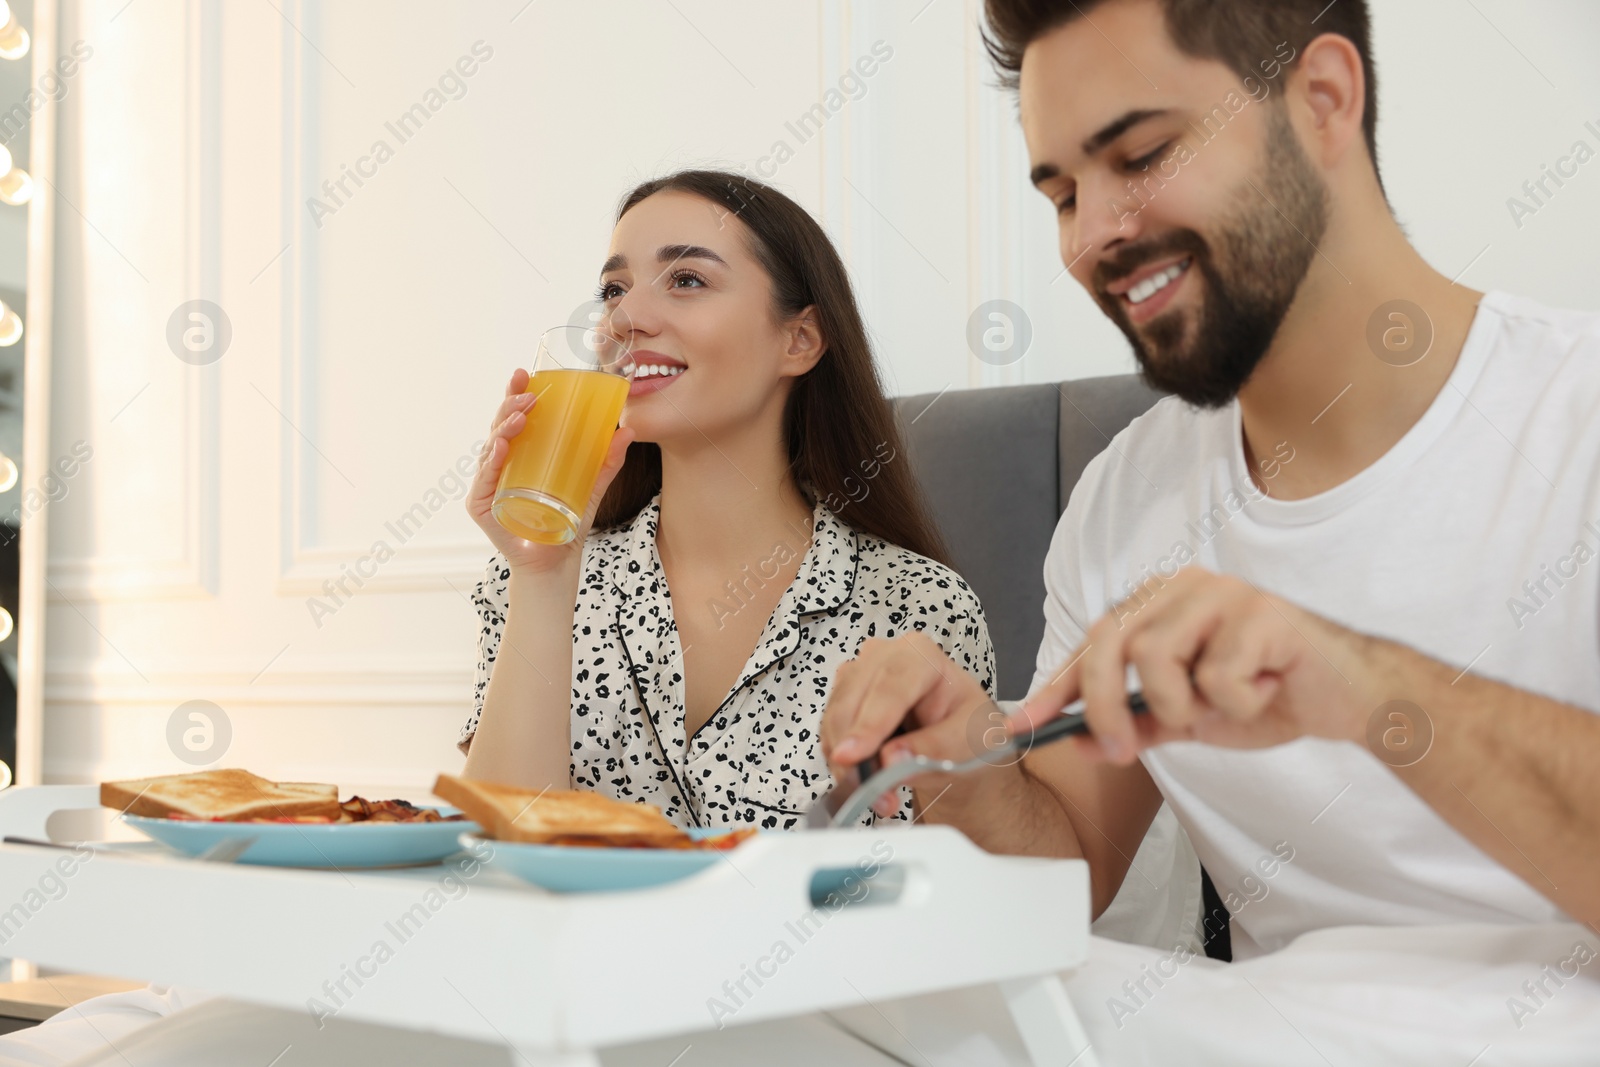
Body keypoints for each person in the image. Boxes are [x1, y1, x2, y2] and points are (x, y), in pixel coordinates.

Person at [823, 0, 1600, 971]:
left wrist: (1358, 683)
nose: (1089, 237)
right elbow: (1066, 860)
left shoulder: (1572, 416)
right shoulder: (1123, 503)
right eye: (1062, 193)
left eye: (1142, 154)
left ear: (1322, 100)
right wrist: (963, 762)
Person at [460, 168, 995, 829]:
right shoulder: (528, 581)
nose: (623, 319)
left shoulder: (922, 608)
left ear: (799, 340)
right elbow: (498, 856)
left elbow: (957, 891)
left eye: (686, 280)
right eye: (613, 290)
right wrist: (542, 579)